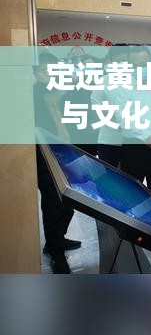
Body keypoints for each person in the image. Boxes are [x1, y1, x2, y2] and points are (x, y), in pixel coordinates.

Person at [33, 52, 81, 274]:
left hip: (65, 153)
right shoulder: (31, 96)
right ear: (35, 73)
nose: (49, 75)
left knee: (69, 202)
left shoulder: (60, 92)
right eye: (44, 71)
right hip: (44, 157)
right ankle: (56, 253)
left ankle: (57, 239)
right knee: (52, 203)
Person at [119, 46, 151, 200]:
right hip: (133, 146)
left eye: (142, 65)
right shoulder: (121, 87)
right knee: (132, 193)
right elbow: (124, 119)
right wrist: (148, 137)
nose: (138, 69)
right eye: (134, 66)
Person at [91, 45, 130, 167]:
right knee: (108, 174)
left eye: (124, 60)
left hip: (133, 140)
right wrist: (116, 116)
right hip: (108, 139)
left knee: (130, 175)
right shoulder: (104, 81)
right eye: (117, 61)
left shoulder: (137, 80)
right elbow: (95, 104)